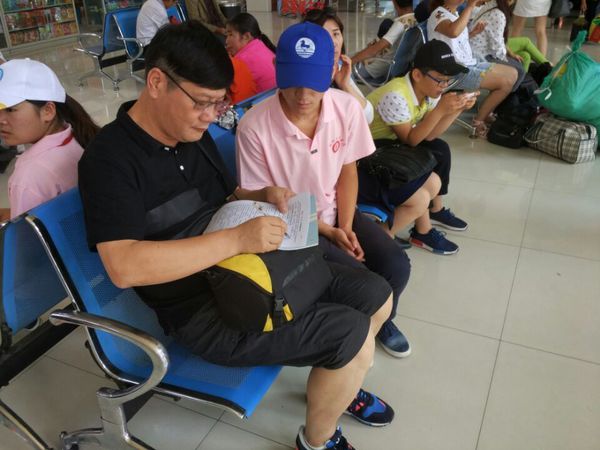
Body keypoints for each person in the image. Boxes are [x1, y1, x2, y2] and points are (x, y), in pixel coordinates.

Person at [78, 21, 395, 450]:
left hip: (251, 269)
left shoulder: (191, 134)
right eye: (202, 103)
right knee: (350, 333)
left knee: (376, 294)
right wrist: (236, 241)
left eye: (219, 102)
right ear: (156, 82)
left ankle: (339, 381)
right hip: (205, 310)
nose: (212, 115)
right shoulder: (109, 161)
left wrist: (263, 195)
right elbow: (124, 267)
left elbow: (228, 196)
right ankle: (317, 440)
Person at [237, 22, 413, 361]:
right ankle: (353, 344)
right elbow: (265, 201)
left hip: (337, 212)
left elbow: (348, 170)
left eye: (314, 85)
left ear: (332, 70)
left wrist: (344, 226)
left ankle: (381, 322)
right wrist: (329, 232)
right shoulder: (254, 127)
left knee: (396, 265)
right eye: (293, 83)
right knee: (363, 283)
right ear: (277, 68)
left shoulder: (346, 109)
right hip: (292, 229)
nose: (303, 96)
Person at [365, 40, 474, 254]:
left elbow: (431, 134)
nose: (443, 86)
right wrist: (441, 110)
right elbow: (412, 140)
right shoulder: (395, 94)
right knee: (427, 154)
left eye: (447, 81)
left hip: (391, 143)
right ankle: (422, 229)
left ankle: (435, 209)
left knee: (439, 148)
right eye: (440, 80)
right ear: (417, 75)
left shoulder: (427, 91)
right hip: (369, 151)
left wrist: (456, 110)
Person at [0, 59, 99, 222]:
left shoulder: (28, 178)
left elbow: (25, 236)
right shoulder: (77, 135)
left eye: (10, 109)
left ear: (48, 111)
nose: (1, 120)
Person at [428, 0, 518, 138]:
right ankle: (478, 121)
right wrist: (470, 6)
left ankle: (486, 111)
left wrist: (472, 33)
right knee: (505, 83)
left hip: (468, 63)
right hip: (454, 71)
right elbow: (453, 32)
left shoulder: (454, 13)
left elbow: (455, 39)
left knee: (513, 73)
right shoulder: (438, 14)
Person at [302, 7, 375, 123]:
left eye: (336, 34)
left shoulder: (339, 68)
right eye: (324, 35)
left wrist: (345, 86)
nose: (334, 42)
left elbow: (367, 117)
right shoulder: (301, 75)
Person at [468, 0, 526, 90]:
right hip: (480, 55)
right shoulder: (498, 14)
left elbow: (497, 40)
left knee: (522, 59)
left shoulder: (492, 5)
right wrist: (506, 57)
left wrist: (509, 54)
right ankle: (507, 94)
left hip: (477, 50)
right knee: (520, 70)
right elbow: (497, 49)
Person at [351, 0, 415, 80]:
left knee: (343, 72)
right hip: (400, 67)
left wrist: (350, 61)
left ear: (394, 2)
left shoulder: (401, 24)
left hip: (378, 69)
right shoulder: (415, 19)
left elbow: (374, 50)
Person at [225, 12, 277, 94]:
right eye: (227, 35)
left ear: (246, 36)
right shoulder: (260, 45)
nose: (226, 41)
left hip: (264, 100)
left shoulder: (242, 59)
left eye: (230, 35)